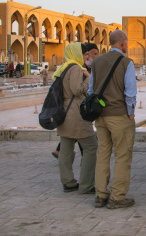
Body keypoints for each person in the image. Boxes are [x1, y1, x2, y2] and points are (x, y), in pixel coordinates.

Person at [88, 30, 137, 209]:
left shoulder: (97, 61)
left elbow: (91, 89)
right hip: (119, 116)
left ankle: (100, 194)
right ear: (123, 43)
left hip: (100, 117)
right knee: (123, 155)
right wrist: (131, 112)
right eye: (127, 43)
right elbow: (130, 91)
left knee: (102, 154)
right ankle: (117, 196)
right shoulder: (126, 62)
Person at [54, 43, 97, 194]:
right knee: (92, 147)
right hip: (75, 115)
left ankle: (68, 182)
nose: (87, 57)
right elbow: (77, 90)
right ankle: (86, 184)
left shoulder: (63, 67)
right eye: (85, 54)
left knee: (66, 149)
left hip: (64, 114)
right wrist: (88, 78)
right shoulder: (75, 68)